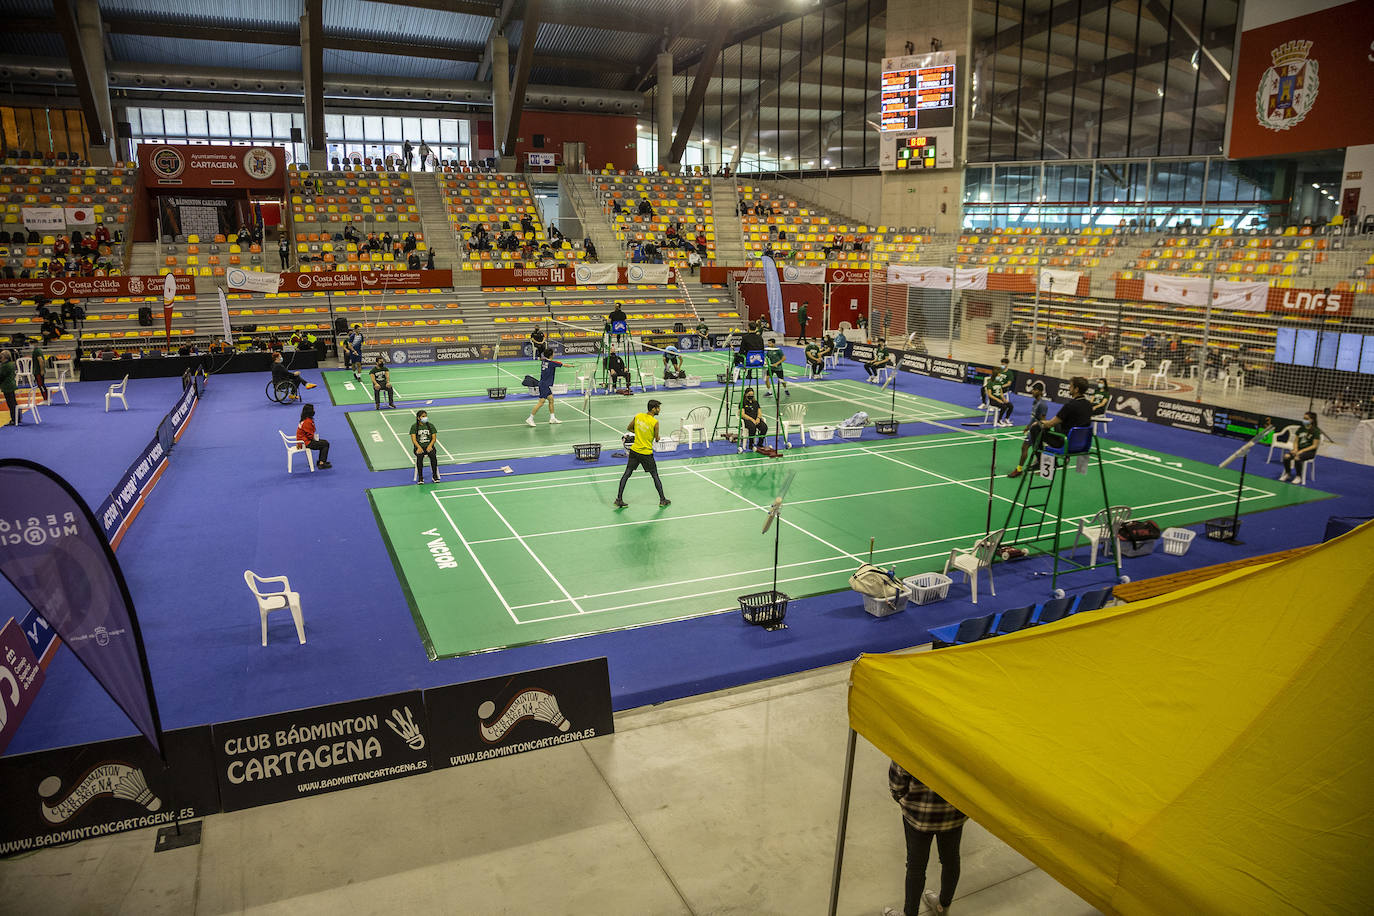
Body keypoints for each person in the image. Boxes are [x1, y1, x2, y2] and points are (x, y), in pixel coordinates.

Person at [883, 759, 967, 916]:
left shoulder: (915, 740)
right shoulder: (966, 745)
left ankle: (911, 914)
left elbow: (897, 781)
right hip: (953, 815)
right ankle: (943, 907)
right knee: (951, 861)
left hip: (918, 817)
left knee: (916, 867)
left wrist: (901, 798)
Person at [613, 399, 669, 508]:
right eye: (658, 408)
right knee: (655, 475)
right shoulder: (655, 422)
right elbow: (657, 438)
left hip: (634, 451)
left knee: (627, 474)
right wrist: (657, 437)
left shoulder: (638, 416)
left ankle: (618, 499)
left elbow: (629, 428)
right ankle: (662, 500)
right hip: (646, 453)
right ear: (653, 409)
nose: (659, 410)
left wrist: (638, 432)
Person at [1007, 382, 1049, 478]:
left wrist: (1035, 426)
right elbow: (1034, 417)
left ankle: (1019, 469)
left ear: (1040, 391)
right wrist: (1028, 426)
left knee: (1025, 447)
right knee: (1031, 448)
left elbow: (1043, 420)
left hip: (1038, 430)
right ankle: (1039, 466)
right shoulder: (1035, 402)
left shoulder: (1043, 405)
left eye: (1034, 390)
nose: (1032, 392)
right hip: (1033, 428)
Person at [1280, 412, 1322, 483]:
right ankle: (1288, 473)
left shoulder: (1316, 431)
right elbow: (1296, 441)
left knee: (1297, 457)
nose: (1304, 420)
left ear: (1312, 420)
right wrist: (1295, 449)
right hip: (1298, 450)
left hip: (1309, 452)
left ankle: (1298, 476)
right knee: (1286, 456)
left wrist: (1302, 451)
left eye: (1306, 419)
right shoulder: (1301, 429)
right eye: (1304, 418)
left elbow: (1314, 445)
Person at [526, 347, 564, 425]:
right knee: (541, 402)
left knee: (551, 400)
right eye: (553, 353)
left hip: (543, 384)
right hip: (544, 386)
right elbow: (564, 365)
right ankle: (530, 418)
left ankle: (552, 418)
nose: (554, 354)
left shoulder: (544, 362)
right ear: (551, 355)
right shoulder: (552, 363)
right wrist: (573, 366)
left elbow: (542, 359)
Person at [295, 403, 331, 468]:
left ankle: (321, 461)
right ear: (310, 411)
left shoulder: (304, 419)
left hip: (303, 440)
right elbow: (310, 436)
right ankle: (321, 463)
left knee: (323, 442)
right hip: (305, 442)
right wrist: (314, 438)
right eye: (313, 409)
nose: (314, 411)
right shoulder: (307, 422)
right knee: (325, 444)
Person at [410, 409, 441, 483]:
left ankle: (435, 476)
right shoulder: (414, 427)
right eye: (423, 416)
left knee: (433, 456)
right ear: (418, 418)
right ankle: (420, 477)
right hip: (419, 447)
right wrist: (419, 447)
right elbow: (413, 439)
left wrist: (430, 446)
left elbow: (434, 438)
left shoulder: (430, 426)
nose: (425, 418)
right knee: (419, 457)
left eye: (426, 416)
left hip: (429, 446)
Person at [986, 358, 1016, 426]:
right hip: (993, 400)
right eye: (999, 374)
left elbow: (1001, 393)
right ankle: (999, 420)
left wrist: (1004, 399)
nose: (1000, 375)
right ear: (996, 375)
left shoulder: (999, 382)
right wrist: (998, 400)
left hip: (999, 399)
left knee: (1010, 405)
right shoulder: (990, 383)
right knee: (1004, 407)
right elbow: (990, 395)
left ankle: (1006, 419)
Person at [1, 349, 20, 426]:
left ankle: (14, 419)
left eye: (1, 356)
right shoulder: (11, 364)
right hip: (10, 385)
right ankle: (18, 418)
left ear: (5, 357)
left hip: (7, 386)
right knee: (14, 403)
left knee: (11, 404)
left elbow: (1, 376)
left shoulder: (5, 366)